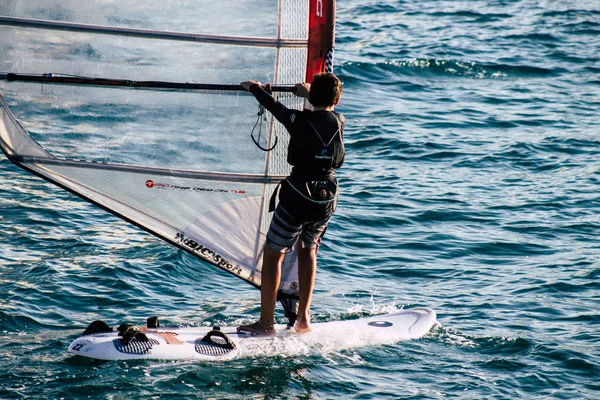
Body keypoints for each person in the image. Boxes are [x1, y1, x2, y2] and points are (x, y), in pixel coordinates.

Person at [237, 73, 345, 335]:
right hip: (326, 198)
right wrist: (309, 94)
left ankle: (266, 323)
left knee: (274, 255)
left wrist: (253, 88)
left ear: (313, 97)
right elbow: (326, 110)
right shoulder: (340, 121)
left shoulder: (298, 120)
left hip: (297, 196)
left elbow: (274, 106)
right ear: (338, 100)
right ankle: (304, 318)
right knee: (308, 250)